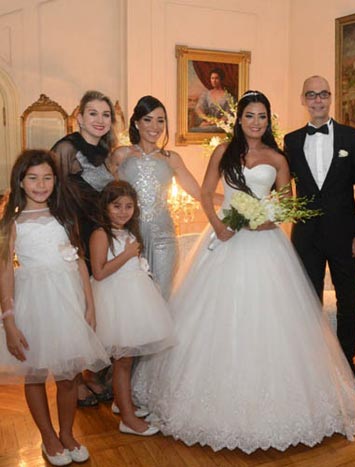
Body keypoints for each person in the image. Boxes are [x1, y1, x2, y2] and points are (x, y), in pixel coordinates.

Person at [132, 90, 355, 454]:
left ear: (268, 121)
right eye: (250, 116)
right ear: (240, 119)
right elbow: (206, 192)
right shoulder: (223, 152)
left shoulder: (278, 158)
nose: (256, 122)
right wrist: (219, 226)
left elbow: (287, 203)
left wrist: (265, 219)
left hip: (265, 244)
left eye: (262, 116)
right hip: (225, 240)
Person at [0, 150, 110, 465]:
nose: (41, 184)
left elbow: (78, 260)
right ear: (20, 181)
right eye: (33, 178)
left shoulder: (64, 215)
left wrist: (89, 305)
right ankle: (48, 437)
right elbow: (5, 270)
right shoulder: (12, 221)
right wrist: (9, 320)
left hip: (67, 301)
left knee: (69, 374)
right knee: (35, 373)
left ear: (55, 181)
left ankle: (67, 433)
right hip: (33, 302)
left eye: (47, 177)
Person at [284, 75, 355, 389]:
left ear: (331, 97)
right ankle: (312, 369)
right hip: (306, 237)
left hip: (346, 236)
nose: (318, 100)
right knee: (308, 302)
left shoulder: (352, 137)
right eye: (311, 95)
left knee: (349, 301)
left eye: (323, 94)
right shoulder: (291, 141)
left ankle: (347, 366)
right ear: (303, 100)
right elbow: (281, 185)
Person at [90, 181, 174, 437]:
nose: (123, 212)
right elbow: (99, 272)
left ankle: (122, 402)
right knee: (123, 360)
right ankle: (127, 419)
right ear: (105, 207)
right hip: (114, 301)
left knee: (128, 358)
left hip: (135, 297)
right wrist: (127, 255)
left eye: (128, 206)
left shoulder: (129, 233)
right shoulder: (100, 234)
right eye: (117, 206)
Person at [51, 90, 116, 407]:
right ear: (79, 117)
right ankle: (73, 383)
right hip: (74, 235)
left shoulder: (105, 151)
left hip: (98, 235)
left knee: (95, 306)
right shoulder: (66, 148)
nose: (100, 120)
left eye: (106, 114)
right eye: (93, 113)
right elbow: (51, 194)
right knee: (75, 308)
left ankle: (92, 374)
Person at [112, 96, 201, 300]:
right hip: (128, 237)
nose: (155, 126)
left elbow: (198, 193)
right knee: (132, 297)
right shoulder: (121, 155)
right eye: (148, 119)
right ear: (137, 123)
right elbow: (106, 194)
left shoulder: (171, 159)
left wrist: (231, 202)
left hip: (163, 238)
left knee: (161, 295)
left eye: (160, 120)